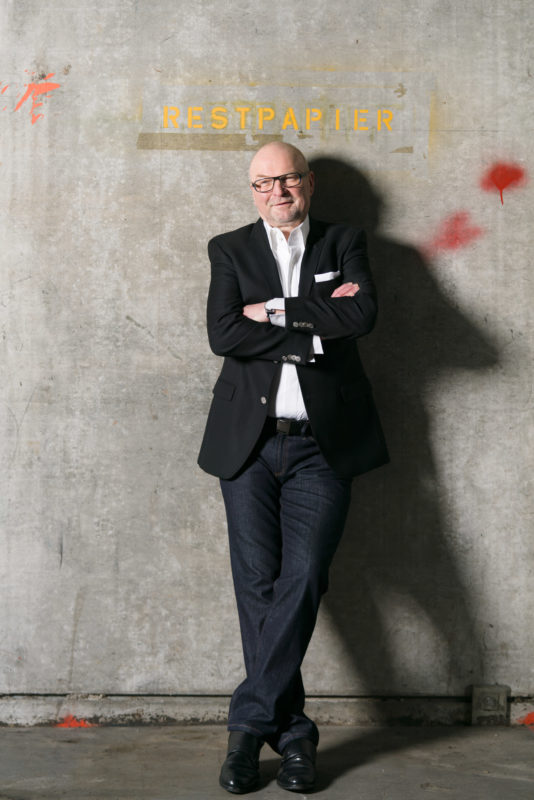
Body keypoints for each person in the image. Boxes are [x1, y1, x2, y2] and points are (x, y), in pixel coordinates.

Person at [198, 142, 388, 794]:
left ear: (307, 183)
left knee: (303, 576)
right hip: (247, 447)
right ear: (251, 190)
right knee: (257, 587)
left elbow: (360, 314)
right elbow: (223, 333)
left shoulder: (343, 242)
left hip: (321, 447)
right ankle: (295, 738)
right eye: (262, 182)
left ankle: (249, 730)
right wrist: (315, 323)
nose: (276, 191)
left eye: (287, 178)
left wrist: (272, 311)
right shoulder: (230, 249)